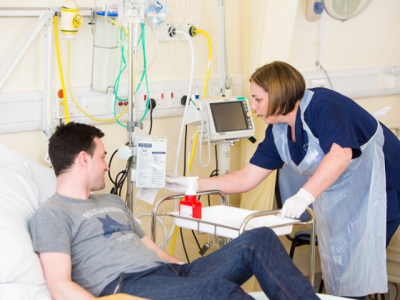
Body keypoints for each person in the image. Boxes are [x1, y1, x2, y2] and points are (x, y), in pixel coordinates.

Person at [167, 61, 400, 299]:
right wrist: (194, 184)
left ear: (278, 94)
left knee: (356, 266)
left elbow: (341, 154)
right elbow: (248, 177)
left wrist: (303, 197)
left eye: (257, 99)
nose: (252, 108)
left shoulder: (323, 106)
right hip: (343, 194)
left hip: (381, 185)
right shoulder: (278, 131)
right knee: (341, 268)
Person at [29, 122, 318, 300]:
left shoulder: (113, 203)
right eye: (102, 157)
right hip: (129, 287)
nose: (107, 165)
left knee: (260, 239)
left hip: (171, 274)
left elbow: (153, 250)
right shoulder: (52, 213)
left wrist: (189, 276)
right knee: (220, 294)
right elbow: (59, 286)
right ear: (83, 159)